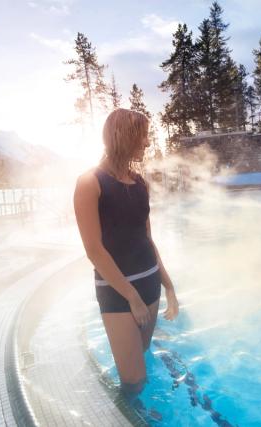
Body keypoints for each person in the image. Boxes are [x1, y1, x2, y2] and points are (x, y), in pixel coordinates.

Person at [73, 108, 179, 395]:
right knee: (133, 383)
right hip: (117, 291)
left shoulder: (140, 184)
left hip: (149, 284)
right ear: (125, 136)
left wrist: (168, 287)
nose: (147, 143)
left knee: (142, 355)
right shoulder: (90, 183)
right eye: (143, 136)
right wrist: (131, 297)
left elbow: (147, 239)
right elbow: (94, 250)